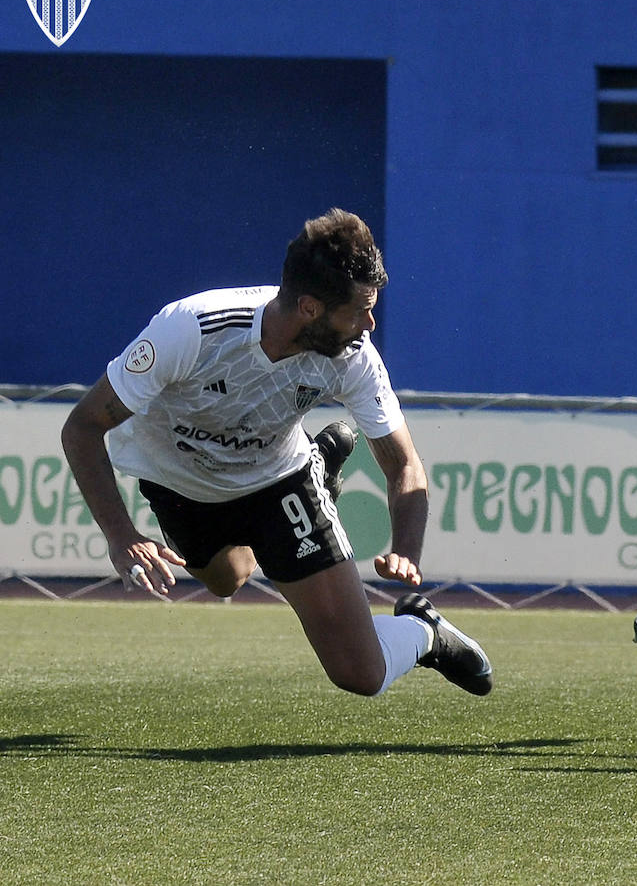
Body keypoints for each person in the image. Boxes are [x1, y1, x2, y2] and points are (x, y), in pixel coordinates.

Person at [61, 208, 492, 699]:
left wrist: (407, 555)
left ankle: (423, 630)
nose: (370, 323)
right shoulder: (191, 330)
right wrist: (121, 536)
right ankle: (319, 469)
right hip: (180, 483)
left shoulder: (354, 357)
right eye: (360, 310)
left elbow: (404, 465)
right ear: (310, 308)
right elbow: (82, 427)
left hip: (279, 480)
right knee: (226, 581)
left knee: (361, 673)